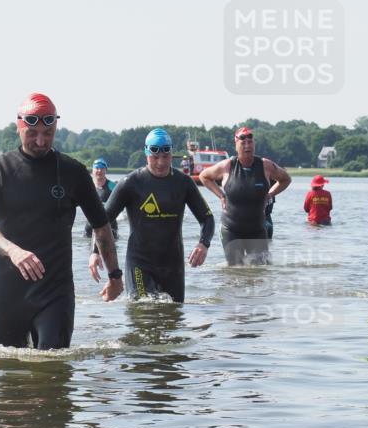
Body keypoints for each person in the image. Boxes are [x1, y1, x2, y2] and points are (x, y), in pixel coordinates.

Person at [0, 93, 123, 349]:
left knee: (54, 364)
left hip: (55, 292)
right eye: (32, 133)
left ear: (56, 128)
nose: (41, 141)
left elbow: (101, 226)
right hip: (8, 292)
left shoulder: (73, 172)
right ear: (19, 127)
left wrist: (115, 275)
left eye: (48, 133)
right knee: (8, 369)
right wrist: (13, 250)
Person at [90, 128, 214, 302]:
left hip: (173, 266)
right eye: (155, 157)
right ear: (146, 154)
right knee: (143, 311)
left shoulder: (183, 183)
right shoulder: (131, 183)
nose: (161, 162)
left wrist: (203, 244)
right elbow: (102, 221)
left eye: (165, 156)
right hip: (139, 263)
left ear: (171, 153)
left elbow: (207, 218)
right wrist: (95, 252)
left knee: (173, 314)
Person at [198, 126, 291, 265]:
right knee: (236, 270)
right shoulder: (227, 166)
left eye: (250, 142)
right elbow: (204, 176)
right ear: (236, 145)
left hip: (257, 229)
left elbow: (286, 179)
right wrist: (221, 196)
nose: (247, 146)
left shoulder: (265, 165)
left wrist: (270, 194)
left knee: (260, 271)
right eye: (243, 142)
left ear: (254, 144)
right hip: (231, 229)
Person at [84, 158, 118, 241]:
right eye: (97, 168)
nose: (99, 171)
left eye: (102, 168)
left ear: (105, 170)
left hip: (110, 225)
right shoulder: (87, 186)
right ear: (92, 170)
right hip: (91, 225)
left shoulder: (113, 186)